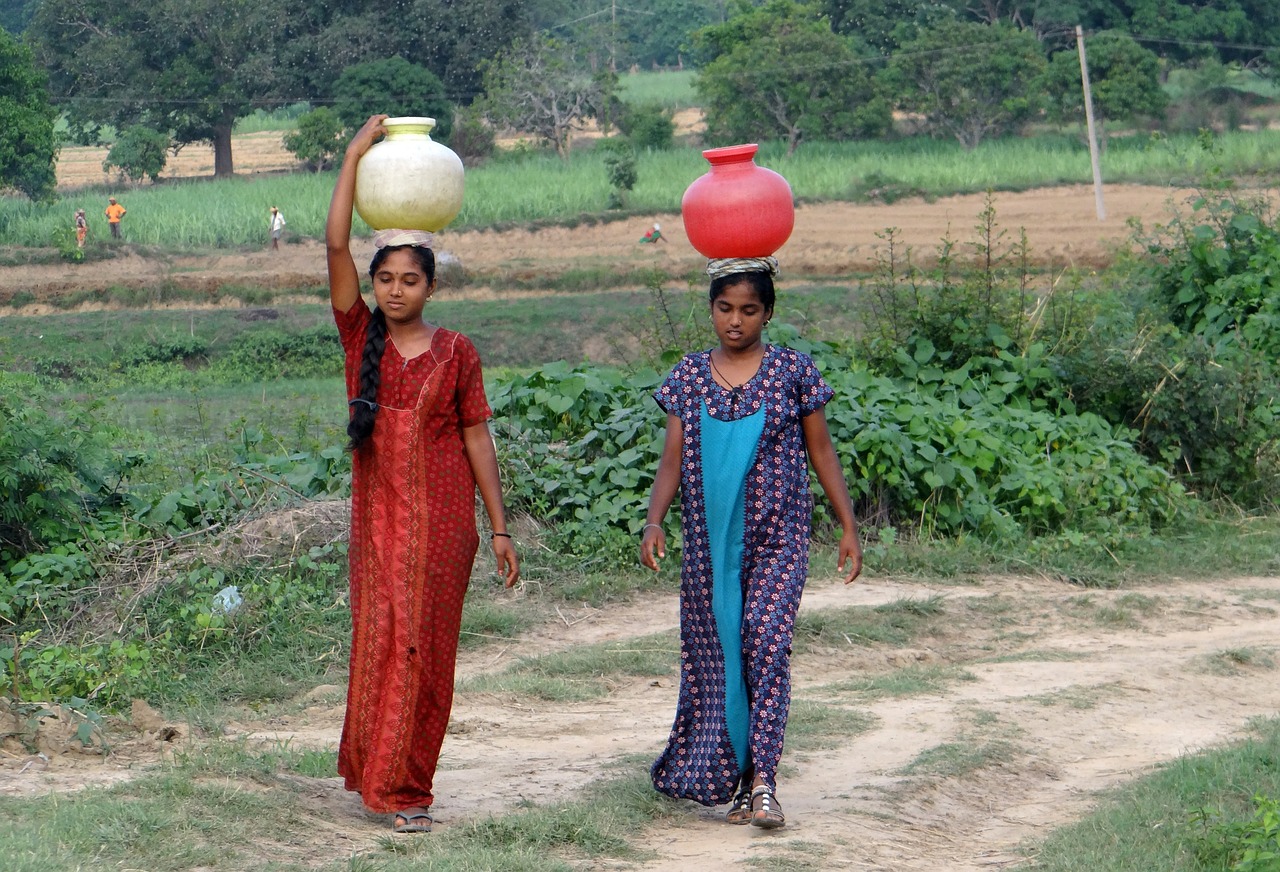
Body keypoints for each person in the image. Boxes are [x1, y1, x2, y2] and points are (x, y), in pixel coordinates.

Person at [326, 114, 520, 835]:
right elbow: (334, 242)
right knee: (381, 641)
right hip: (378, 530)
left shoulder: (458, 351)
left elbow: (476, 438)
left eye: (410, 279)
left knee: (424, 650)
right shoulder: (359, 337)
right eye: (386, 278)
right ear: (372, 284)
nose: (396, 289)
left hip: (443, 530)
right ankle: (377, 773)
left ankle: (408, 787)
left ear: (431, 287)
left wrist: (498, 527)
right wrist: (353, 156)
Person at [639, 256, 862, 830]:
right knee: (719, 654)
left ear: (768, 312)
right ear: (710, 308)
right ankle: (731, 776)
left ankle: (764, 782)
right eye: (724, 309)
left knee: (765, 644)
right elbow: (672, 459)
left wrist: (847, 525)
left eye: (749, 310)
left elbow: (822, 452)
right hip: (710, 548)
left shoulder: (792, 371)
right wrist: (655, 520)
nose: (735, 322)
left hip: (778, 538)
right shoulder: (689, 377)